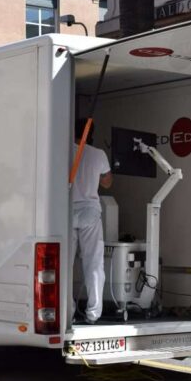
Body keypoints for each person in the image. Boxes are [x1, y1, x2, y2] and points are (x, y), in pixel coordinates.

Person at [72, 119, 112, 324]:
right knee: (94, 263)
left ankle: (67, 310)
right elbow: (107, 182)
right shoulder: (98, 154)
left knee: (65, 264)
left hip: (66, 211)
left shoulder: (62, 150)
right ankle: (93, 313)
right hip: (89, 210)